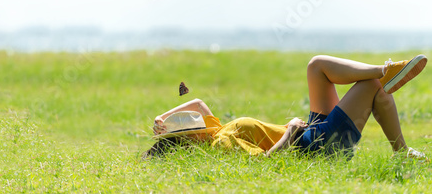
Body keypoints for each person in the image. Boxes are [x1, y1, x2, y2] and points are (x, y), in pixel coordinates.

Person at [144, 54, 429, 161]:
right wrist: (290, 131)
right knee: (372, 87)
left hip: (310, 132)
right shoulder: (220, 143)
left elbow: (198, 103)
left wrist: (164, 117)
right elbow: (266, 160)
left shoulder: (213, 130)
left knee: (316, 66)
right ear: (190, 138)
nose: (196, 119)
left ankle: (386, 69)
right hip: (313, 147)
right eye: (191, 123)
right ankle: (402, 151)